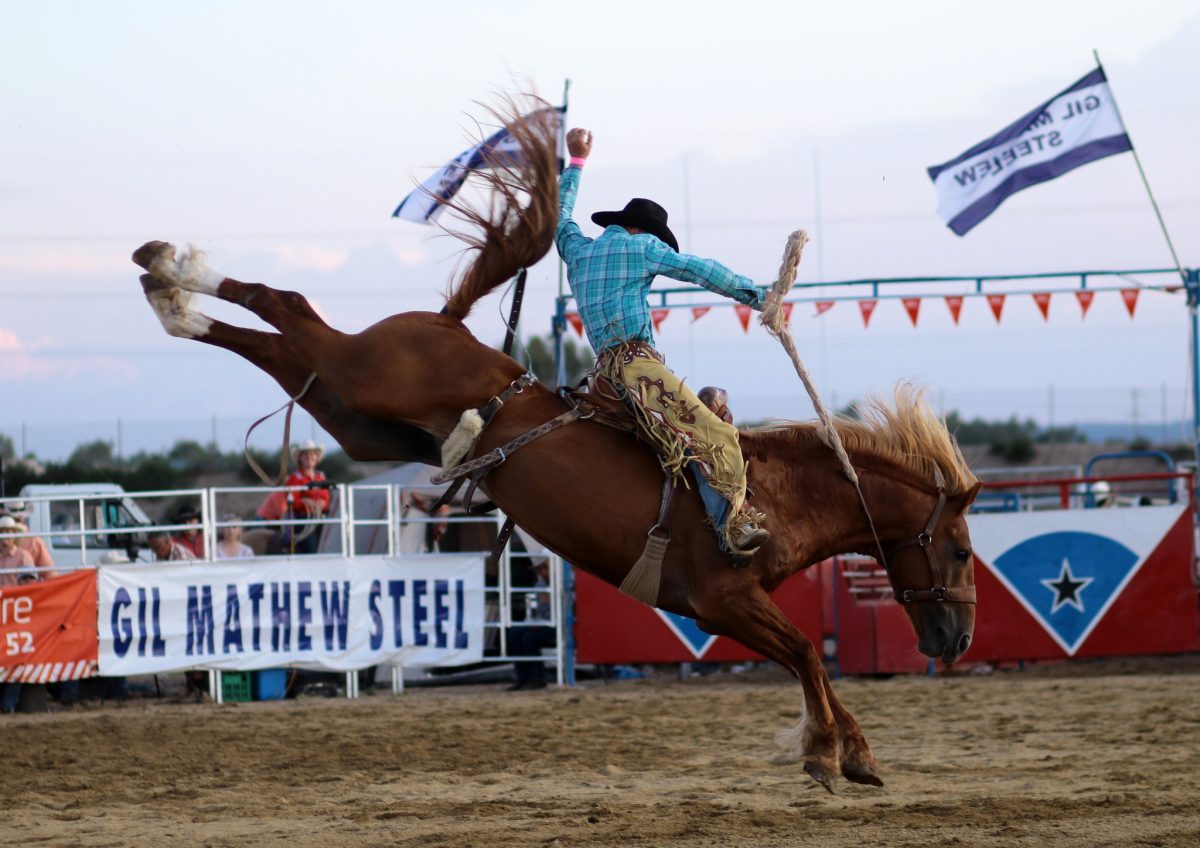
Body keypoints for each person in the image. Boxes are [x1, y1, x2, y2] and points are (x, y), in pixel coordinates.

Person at [555, 127, 770, 560]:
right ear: (641, 230)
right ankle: (735, 527)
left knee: (683, 437)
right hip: (638, 369)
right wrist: (758, 296)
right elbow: (698, 269)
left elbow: (559, 218)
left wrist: (576, 161)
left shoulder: (577, 252)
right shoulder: (643, 248)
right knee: (714, 434)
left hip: (603, 374)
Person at [507, 559, 556, 691]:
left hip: (557, 625)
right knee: (514, 634)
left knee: (528, 639)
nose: (542, 572)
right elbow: (537, 611)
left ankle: (537, 678)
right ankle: (523, 678)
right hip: (544, 622)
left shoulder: (563, 583)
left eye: (544, 569)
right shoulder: (540, 585)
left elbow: (564, 610)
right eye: (540, 570)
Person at [282, 439, 331, 555]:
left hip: (321, 516)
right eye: (306, 455)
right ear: (300, 458)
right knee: (311, 548)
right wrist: (307, 503)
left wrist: (320, 503)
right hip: (304, 519)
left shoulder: (320, 477)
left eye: (313, 454)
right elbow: (292, 500)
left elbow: (326, 498)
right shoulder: (294, 478)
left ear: (316, 457)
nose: (310, 457)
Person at [1, 502, 57, 581]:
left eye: (8, 531)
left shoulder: (33, 541)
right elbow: (49, 573)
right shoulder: (34, 540)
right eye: (3, 531)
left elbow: (49, 573)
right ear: (22, 518)